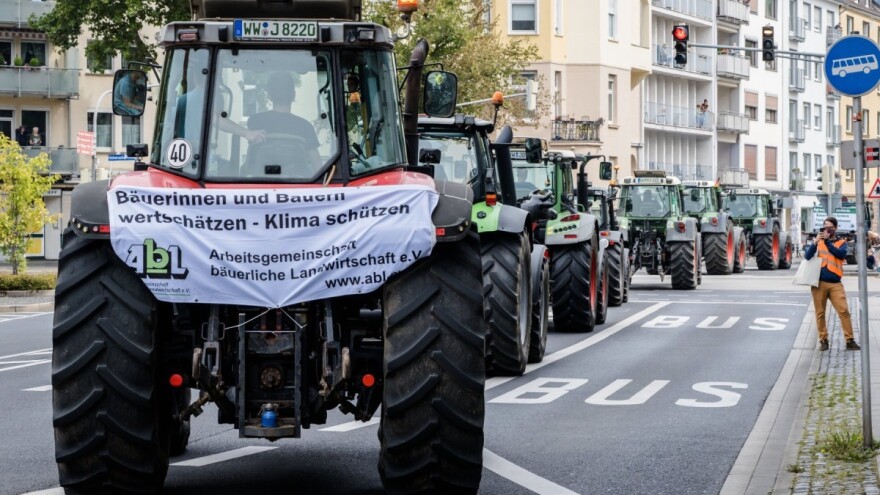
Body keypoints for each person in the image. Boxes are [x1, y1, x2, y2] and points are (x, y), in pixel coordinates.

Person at [804, 217, 860, 351]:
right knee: (820, 313)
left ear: (835, 228)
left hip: (835, 284)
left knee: (844, 311)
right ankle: (823, 340)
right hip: (819, 283)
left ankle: (850, 340)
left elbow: (840, 255)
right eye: (824, 227)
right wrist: (814, 243)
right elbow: (807, 257)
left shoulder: (841, 242)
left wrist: (828, 242)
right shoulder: (818, 242)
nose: (826, 230)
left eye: (829, 227)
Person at [245, 71, 321, 171]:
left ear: (269, 96)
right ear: (293, 95)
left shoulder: (254, 121)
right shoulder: (305, 127)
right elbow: (317, 165)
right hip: (298, 184)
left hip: (257, 183)